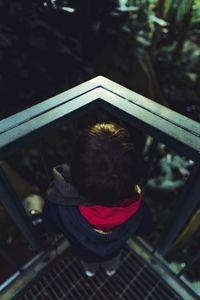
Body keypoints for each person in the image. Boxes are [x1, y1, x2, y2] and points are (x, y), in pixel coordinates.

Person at [43, 122, 152, 277]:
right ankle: (111, 269)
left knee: (88, 262)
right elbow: (145, 227)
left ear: (76, 171)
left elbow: (50, 223)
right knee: (113, 259)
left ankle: (90, 271)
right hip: (115, 249)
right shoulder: (138, 207)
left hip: (84, 251)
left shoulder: (59, 205)